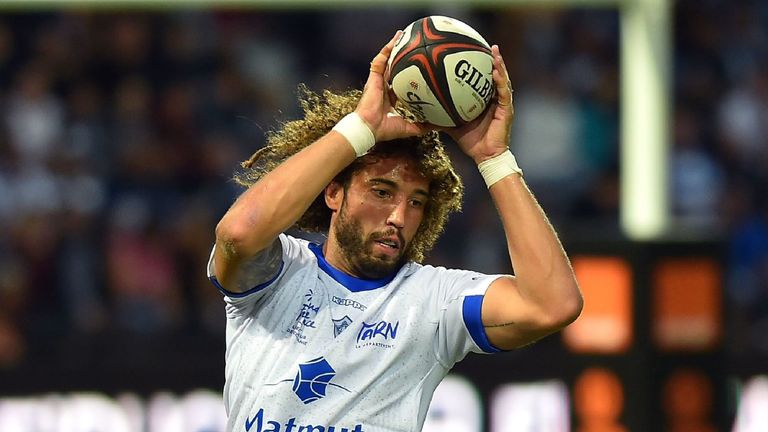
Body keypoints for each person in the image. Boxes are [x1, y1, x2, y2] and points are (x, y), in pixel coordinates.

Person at [208, 30, 583, 432]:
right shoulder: (278, 274)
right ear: (334, 193)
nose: (399, 217)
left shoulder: (431, 301)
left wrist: (495, 159)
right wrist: (360, 128)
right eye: (382, 192)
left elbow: (552, 306)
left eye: (417, 202)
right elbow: (238, 232)